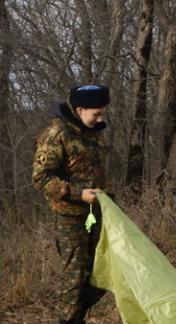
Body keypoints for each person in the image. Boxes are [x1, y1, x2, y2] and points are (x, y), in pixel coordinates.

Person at [32, 85, 112, 324]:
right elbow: (41, 178)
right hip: (71, 218)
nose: (101, 118)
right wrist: (79, 194)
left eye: (103, 113)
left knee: (102, 272)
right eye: (96, 114)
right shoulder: (56, 134)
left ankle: (76, 315)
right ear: (79, 109)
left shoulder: (94, 132)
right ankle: (68, 320)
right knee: (74, 278)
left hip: (96, 213)